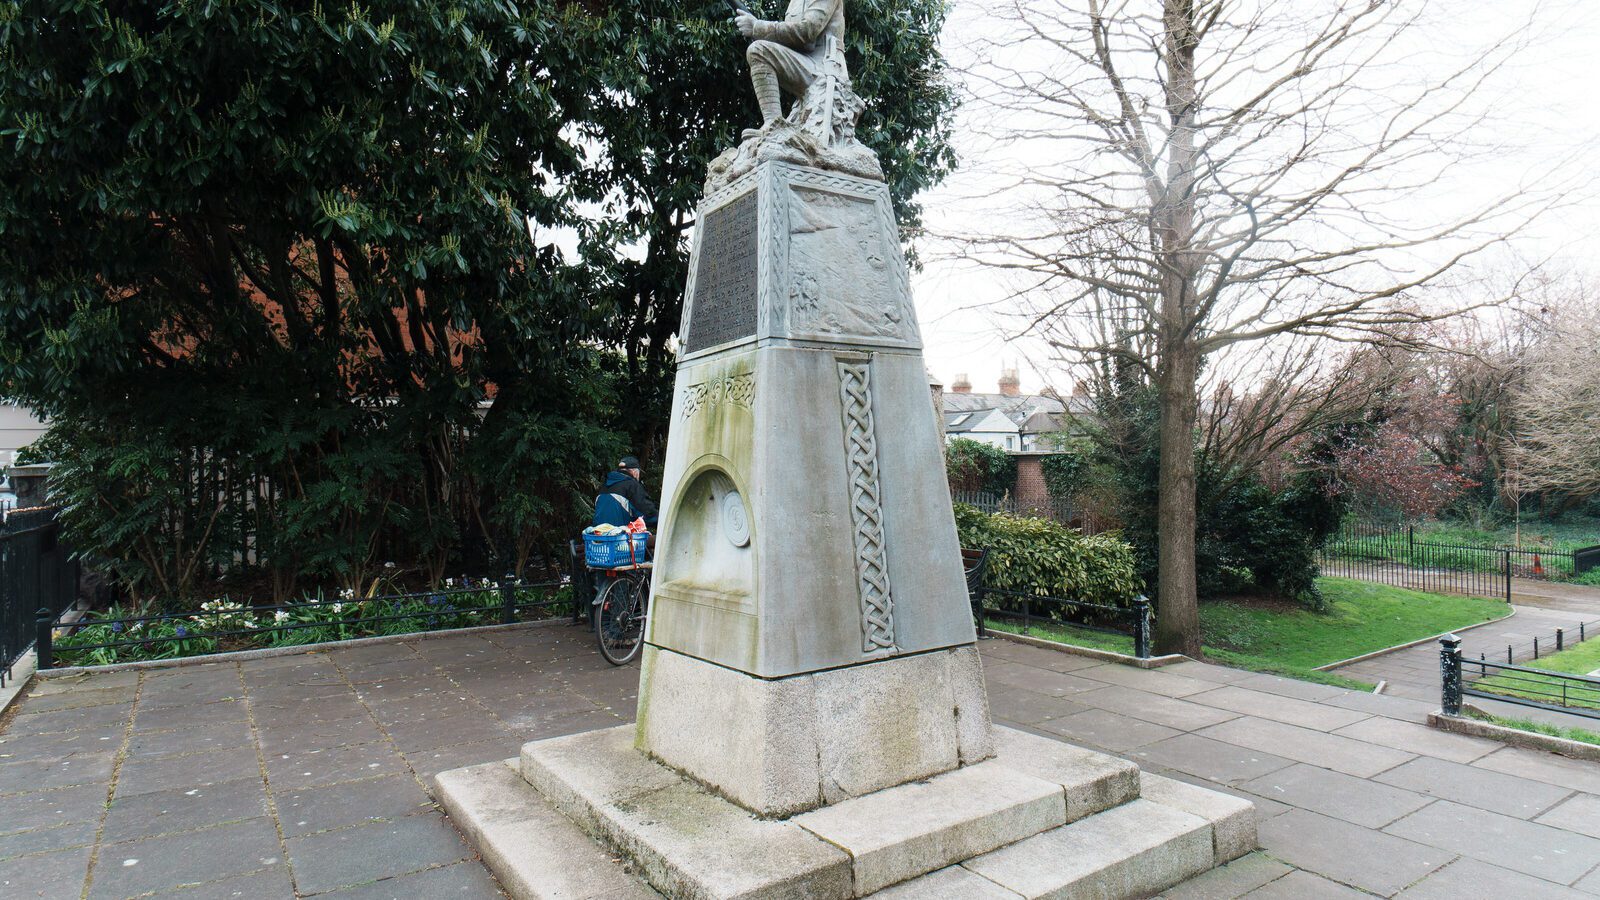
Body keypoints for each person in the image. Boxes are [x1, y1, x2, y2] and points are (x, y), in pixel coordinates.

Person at [592, 455, 658, 531]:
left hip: (599, 536)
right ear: (635, 472)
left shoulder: (604, 486)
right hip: (620, 538)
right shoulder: (632, 485)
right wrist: (661, 521)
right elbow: (647, 512)